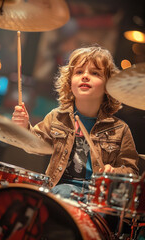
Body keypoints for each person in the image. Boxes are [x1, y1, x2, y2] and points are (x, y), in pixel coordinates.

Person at [12, 44, 139, 203]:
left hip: (99, 197)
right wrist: (24, 127)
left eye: (95, 73)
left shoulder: (120, 129)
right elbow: (35, 144)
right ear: (70, 82)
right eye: (79, 72)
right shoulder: (57, 117)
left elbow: (132, 171)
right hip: (61, 190)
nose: (85, 76)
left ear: (108, 86)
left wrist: (114, 171)